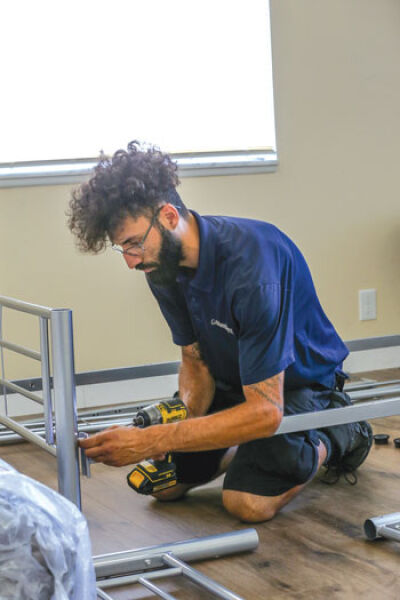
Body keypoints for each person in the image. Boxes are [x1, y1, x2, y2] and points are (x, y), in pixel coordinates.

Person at [68, 141, 372, 523]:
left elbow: (265, 410)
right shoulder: (160, 265)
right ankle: (243, 446)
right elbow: (194, 360)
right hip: (235, 385)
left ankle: (339, 429)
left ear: (167, 216)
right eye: (121, 249)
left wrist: (155, 438)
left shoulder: (252, 268)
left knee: (246, 503)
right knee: (164, 486)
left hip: (297, 387)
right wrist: (179, 421)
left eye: (133, 244)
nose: (130, 261)